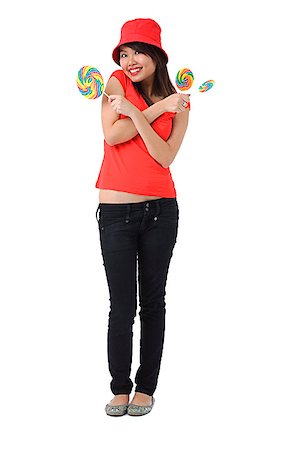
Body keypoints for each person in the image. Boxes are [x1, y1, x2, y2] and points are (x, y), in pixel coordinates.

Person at [94, 18, 190, 416]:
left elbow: (164, 157)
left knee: (153, 301)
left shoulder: (180, 100)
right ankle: (120, 386)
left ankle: (146, 387)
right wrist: (151, 111)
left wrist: (136, 114)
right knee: (121, 303)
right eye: (124, 53)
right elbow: (111, 136)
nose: (130, 60)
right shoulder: (115, 81)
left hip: (160, 211)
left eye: (137, 51)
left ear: (156, 55)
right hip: (115, 212)